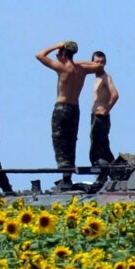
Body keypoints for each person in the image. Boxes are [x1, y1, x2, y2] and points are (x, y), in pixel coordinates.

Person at [35, 40, 105, 190]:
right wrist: (75, 60)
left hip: (62, 107)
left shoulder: (61, 67)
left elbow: (39, 55)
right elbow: (99, 65)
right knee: (71, 141)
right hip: (75, 108)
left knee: (60, 141)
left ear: (63, 54)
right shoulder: (81, 69)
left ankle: (65, 175)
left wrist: (56, 45)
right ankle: (67, 177)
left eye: (59, 53)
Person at [89, 51, 119, 188]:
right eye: (97, 62)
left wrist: (106, 110)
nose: (99, 64)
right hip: (95, 115)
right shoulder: (96, 78)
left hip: (101, 116)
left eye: (102, 62)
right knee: (104, 147)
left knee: (97, 148)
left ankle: (102, 176)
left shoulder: (106, 77)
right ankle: (115, 171)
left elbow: (115, 95)